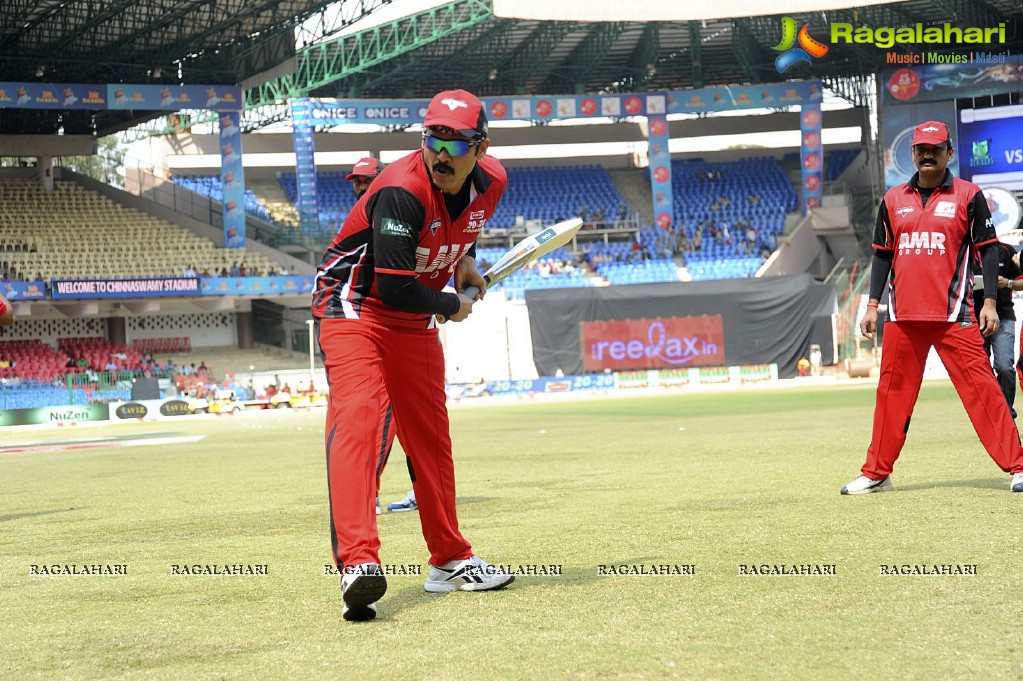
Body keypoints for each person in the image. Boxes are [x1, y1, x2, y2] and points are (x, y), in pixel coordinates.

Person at [312, 88, 515, 622]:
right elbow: (398, 285)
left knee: (430, 435)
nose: (442, 154)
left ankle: (450, 561)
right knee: (359, 416)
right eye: (434, 140)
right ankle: (357, 563)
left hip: (412, 313)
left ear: (481, 146)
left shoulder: (492, 182)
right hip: (355, 305)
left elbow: (456, 231)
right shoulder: (402, 188)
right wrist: (451, 304)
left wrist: (467, 261)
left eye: (456, 143)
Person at [843, 120, 1023, 495]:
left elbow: (987, 248)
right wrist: (872, 305)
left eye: (935, 149)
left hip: (953, 315)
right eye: (921, 149)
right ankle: (876, 472)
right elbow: (881, 256)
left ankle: (1018, 467)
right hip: (902, 317)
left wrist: (989, 301)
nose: (928, 154)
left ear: (949, 153)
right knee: (890, 396)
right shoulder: (893, 199)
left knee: (984, 392)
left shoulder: (968, 195)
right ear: (913, 153)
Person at [971, 240, 1023, 417]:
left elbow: (1021, 281)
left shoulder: (1006, 250)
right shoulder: (962, 251)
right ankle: (991, 410)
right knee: (981, 369)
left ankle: (1006, 412)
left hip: (1004, 315)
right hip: (973, 318)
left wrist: (1007, 283)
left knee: (1005, 367)